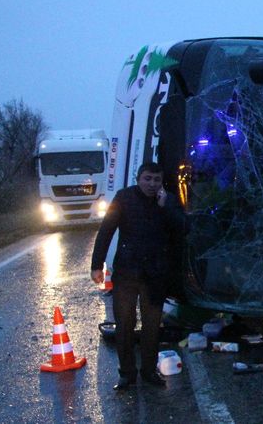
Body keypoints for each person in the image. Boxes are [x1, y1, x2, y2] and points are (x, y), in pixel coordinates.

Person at [90, 162, 185, 390]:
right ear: (138, 178)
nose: (152, 184)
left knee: (152, 326)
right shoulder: (124, 198)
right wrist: (97, 265)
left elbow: (184, 229)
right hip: (127, 272)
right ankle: (127, 374)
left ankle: (149, 371)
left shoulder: (167, 201)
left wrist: (166, 208)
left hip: (155, 275)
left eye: (156, 180)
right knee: (125, 324)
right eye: (147, 179)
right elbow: (106, 230)